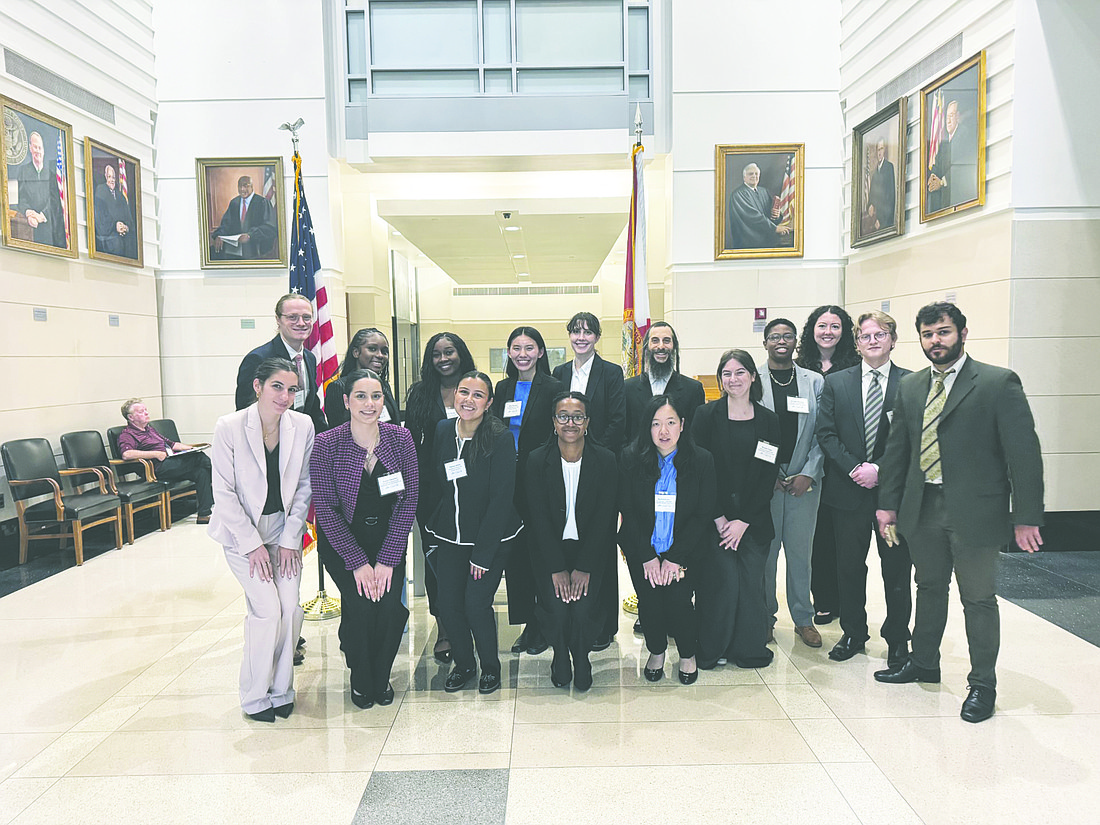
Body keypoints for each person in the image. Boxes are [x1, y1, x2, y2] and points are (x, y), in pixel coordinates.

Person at [874, 303, 1044, 724]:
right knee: (929, 587)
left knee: (978, 598)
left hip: (975, 511)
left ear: (962, 334)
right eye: (928, 334)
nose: (936, 341)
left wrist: (1026, 517)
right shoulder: (911, 386)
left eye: (944, 332)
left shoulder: (997, 382)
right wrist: (887, 505)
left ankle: (982, 683)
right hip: (922, 507)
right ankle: (924, 662)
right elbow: (897, 451)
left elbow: (1024, 454)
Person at [207, 358, 314, 722]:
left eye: (291, 389)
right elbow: (223, 492)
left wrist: (290, 539)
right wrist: (252, 545)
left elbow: (304, 486)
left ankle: (282, 690)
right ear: (258, 386)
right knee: (267, 610)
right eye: (277, 387)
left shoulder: (303, 425)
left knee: (290, 608)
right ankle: (254, 697)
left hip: (284, 533)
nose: (285, 396)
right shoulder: (230, 426)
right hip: (242, 536)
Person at [310, 369, 419, 709]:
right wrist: (358, 563)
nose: (369, 404)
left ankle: (380, 675)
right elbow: (326, 510)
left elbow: (408, 500)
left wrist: (386, 559)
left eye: (376, 396)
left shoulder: (400, 439)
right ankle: (361, 677)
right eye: (360, 396)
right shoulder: (327, 443)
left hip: (388, 540)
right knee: (359, 607)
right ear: (346, 401)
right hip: (343, 543)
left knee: (388, 608)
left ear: (384, 401)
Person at [815, 311, 913, 669]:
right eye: (865, 336)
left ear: (893, 340)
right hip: (848, 492)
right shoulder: (836, 383)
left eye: (880, 334)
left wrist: (879, 470)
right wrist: (856, 469)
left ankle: (898, 638)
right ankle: (854, 633)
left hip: (892, 497)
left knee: (896, 569)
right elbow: (826, 433)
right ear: (856, 343)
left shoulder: (911, 383)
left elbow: (913, 439)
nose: (872, 341)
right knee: (849, 567)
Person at [424, 372, 522, 695]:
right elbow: (437, 482)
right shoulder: (443, 430)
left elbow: (501, 500)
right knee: (448, 604)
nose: (469, 400)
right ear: (454, 395)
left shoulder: (499, 437)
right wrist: (432, 531)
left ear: (489, 403)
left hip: (489, 539)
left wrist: (482, 555)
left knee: (476, 604)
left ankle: (490, 667)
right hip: (450, 535)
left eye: (478, 395)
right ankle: (465, 664)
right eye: (463, 392)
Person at [618, 394, 715, 685]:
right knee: (649, 602)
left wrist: (674, 558)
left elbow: (702, 514)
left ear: (682, 425)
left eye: (671, 422)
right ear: (646, 427)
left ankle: (687, 654)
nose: (664, 431)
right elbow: (628, 512)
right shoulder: (630, 458)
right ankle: (657, 651)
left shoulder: (701, 460)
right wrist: (648, 556)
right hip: (642, 549)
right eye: (656, 423)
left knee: (678, 601)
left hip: (684, 551)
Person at [525, 391, 618, 691]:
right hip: (549, 552)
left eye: (578, 417)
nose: (570, 423)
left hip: (591, 551)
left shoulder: (606, 460)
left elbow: (605, 519)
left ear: (587, 422)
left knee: (583, 608)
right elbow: (537, 519)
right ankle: (560, 655)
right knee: (556, 608)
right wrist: (556, 567)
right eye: (563, 416)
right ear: (553, 422)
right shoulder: (536, 460)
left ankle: (581, 655)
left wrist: (584, 566)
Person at [692, 350, 779, 670]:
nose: (734, 379)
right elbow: (699, 470)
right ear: (720, 380)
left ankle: (748, 649)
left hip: (753, 521)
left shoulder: (769, 420)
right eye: (726, 374)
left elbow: (768, 474)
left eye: (740, 372)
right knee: (722, 584)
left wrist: (744, 520)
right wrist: (720, 518)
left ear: (753, 377)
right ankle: (714, 648)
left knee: (750, 585)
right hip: (713, 520)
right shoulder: (705, 416)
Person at [552, 311, 625, 651]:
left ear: (597, 337)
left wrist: (591, 454)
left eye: (588, 332)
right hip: (563, 464)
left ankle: (604, 626)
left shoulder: (611, 372)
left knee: (600, 544)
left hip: (599, 466)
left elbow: (617, 420)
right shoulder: (559, 373)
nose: (581, 337)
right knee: (567, 542)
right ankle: (569, 618)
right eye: (576, 331)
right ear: (569, 336)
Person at [491, 327, 564, 656]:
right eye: (516, 348)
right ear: (508, 352)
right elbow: (495, 428)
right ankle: (527, 622)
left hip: (540, 477)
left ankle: (545, 622)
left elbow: (557, 433)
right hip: (508, 478)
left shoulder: (553, 387)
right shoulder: (503, 388)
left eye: (529, 348)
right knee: (516, 554)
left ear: (540, 352)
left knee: (541, 549)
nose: (523, 354)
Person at [405, 332, 477, 664]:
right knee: (436, 561)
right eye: (437, 354)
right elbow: (412, 442)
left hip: (472, 487)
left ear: (460, 353)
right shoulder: (421, 393)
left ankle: (472, 620)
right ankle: (445, 627)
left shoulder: (475, 386)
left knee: (469, 558)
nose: (443, 359)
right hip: (432, 490)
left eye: (449, 352)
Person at [759, 318, 825, 648]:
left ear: (796, 341)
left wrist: (808, 472)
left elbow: (824, 432)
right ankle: (765, 617)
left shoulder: (815, 381)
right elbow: (750, 429)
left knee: (801, 554)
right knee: (766, 554)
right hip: (766, 482)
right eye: (774, 336)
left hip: (804, 483)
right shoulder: (753, 379)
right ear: (765, 343)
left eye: (787, 336)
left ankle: (803, 618)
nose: (781, 341)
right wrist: (766, 473)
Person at [796, 306, 861, 627]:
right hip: (810, 462)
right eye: (822, 326)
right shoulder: (799, 367)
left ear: (844, 331)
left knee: (844, 542)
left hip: (842, 464)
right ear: (812, 330)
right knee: (817, 538)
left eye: (835, 326)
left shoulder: (855, 366)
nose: (828, 332)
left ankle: (846, 602)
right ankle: (822, 598)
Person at [235, 293, 326, 433]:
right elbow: (245, 411)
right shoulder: (258, 359)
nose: (301, 323)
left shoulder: (310, 358)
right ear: (278, 319)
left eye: (306, 317)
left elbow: (312, 406)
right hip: (268, 438)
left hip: (301, 437)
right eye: (292, 317)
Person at [118, 398, 213, 524]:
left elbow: (171, 444)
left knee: (201, 472)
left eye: (146, 410)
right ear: (131, 417)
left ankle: (204, 514)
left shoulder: (150, 429)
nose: (146, 413)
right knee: (200, 459)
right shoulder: (127, 434)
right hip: (156, 469)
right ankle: (222, 487)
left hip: (170, 464)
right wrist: (155, 454)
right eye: (141, 411)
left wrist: (191, 448)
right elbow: (126, 454)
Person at [623, 322, 706, 445]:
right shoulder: (627, 388)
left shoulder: (693, 389)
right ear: (646, 347)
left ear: (674, 347)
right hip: (638, 456)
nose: (661, 346)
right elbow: (623, 434)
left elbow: (696, 436)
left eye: (666, 341)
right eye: (655, 341)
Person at [325, 328, 400, 428]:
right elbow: (338, 431)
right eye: (372, 349)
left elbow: (395, 424)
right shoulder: (339, 387)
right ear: (356, 352)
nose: (380, 355)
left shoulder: (384, 385)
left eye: (384, 351)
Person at [12, 130, 65, 248]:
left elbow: (54, 201)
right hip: (29, 226)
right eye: (35, 147)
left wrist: (42, 216)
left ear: (43, 150)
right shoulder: (23, 171)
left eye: (40, 148)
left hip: (48, 228)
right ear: (30, 148)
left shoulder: (51, 175)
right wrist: (28, 213)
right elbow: (21, 198)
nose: (37, 151)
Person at [725, 162, 791, 250]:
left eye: (756, 174)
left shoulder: (764, 191)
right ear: (744, 177)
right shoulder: (738, 194)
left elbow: (770, 215)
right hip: (748, 243)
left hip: (767, 242)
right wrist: (774, 229)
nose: (754, 176)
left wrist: (776, 215)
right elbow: (753, 217)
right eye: (750, 174)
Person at [927, 99, 977, 212]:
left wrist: (941, 182)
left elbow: (960, 166)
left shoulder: (964, 134)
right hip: (944, 201)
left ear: (958, 117)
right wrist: (933, 176)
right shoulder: (944, 143)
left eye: (951, 116)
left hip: (958, 198)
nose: (948, 121)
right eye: (947, 117)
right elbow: (937, 163)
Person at [210, 175, 277, 259]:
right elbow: (225, 224)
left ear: (252, 187)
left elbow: (270, 227)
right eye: (240, 186)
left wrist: (250, 235)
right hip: (235, 250)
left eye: (245, 186)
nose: (242, 189)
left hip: (255, 249)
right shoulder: (234, 203)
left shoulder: (262, 202)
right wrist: (219, 235)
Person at [93, 162, 137, 259]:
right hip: (107, 236)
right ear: (105, 177)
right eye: (109, 177)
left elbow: (128, 217)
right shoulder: (100, 191)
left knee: (131, 245)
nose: (111, 180)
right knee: (116, 244)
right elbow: (100, 219)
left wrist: (126, 227)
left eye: (113, 177)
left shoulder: (120, 196)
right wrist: (115, 225)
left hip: (122, 235)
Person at [866, 139, 896, 231]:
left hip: (886, 221)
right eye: (878, 150)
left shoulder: (889, 167)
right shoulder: (874, 173)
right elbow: (872, 196)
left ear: (884, 150)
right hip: (875, 221)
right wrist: (870, 205)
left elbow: (890, 198)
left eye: (881, 149)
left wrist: (881, 221)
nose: (879, 152)